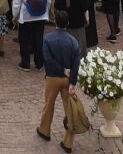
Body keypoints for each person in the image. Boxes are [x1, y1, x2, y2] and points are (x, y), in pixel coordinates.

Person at [37, 16, 84, 151]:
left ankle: (44, 131)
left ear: (56, 22)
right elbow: (76, 64)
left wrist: (62, 69)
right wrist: (73, 83)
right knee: (70, 110)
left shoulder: (48, 38)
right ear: (67, 23)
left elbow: (47, 59)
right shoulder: (73, 41)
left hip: (52, 78)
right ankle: (68, 143)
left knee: (48, 106)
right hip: (67, 80)